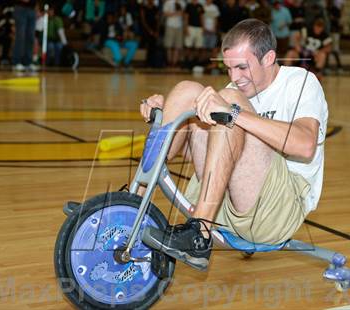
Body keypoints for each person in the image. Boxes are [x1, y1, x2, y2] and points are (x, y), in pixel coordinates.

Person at [140, 18, 328, 271]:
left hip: (278, 211)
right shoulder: (236, 88)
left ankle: (198, 235)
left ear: (269, 58)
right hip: (223, 205)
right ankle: (132, 208)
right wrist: (167, 114)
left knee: (226, 101)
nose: (234, 77)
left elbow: (306, 145)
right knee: (187, 90)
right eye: (228, 69)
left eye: (241, 67)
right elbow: (188, 153)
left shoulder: (300, 82)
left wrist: (235, 113)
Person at [12, 0, 38, 71]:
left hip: (32, 9)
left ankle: (27, 62)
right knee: (20, 36)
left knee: (30, 37)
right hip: (20, 8)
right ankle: (16, 62)